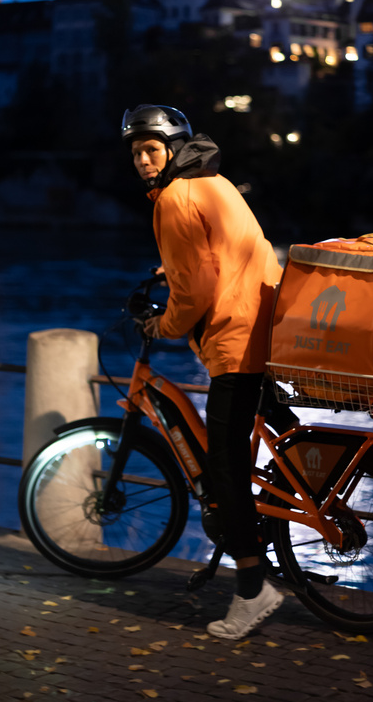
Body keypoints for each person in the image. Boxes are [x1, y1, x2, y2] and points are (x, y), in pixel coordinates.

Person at [121, 103, 285, 640]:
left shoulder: (172, 198)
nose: (144, 160)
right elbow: (218, 251)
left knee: (225, 470)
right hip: (263, 322)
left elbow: (196, 292)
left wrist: (162, 326)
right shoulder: (212, 181)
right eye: (137, 153)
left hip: (234, 339)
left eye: (151, 150)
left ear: (171, 151)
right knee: (267, 435)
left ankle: (252, 590)